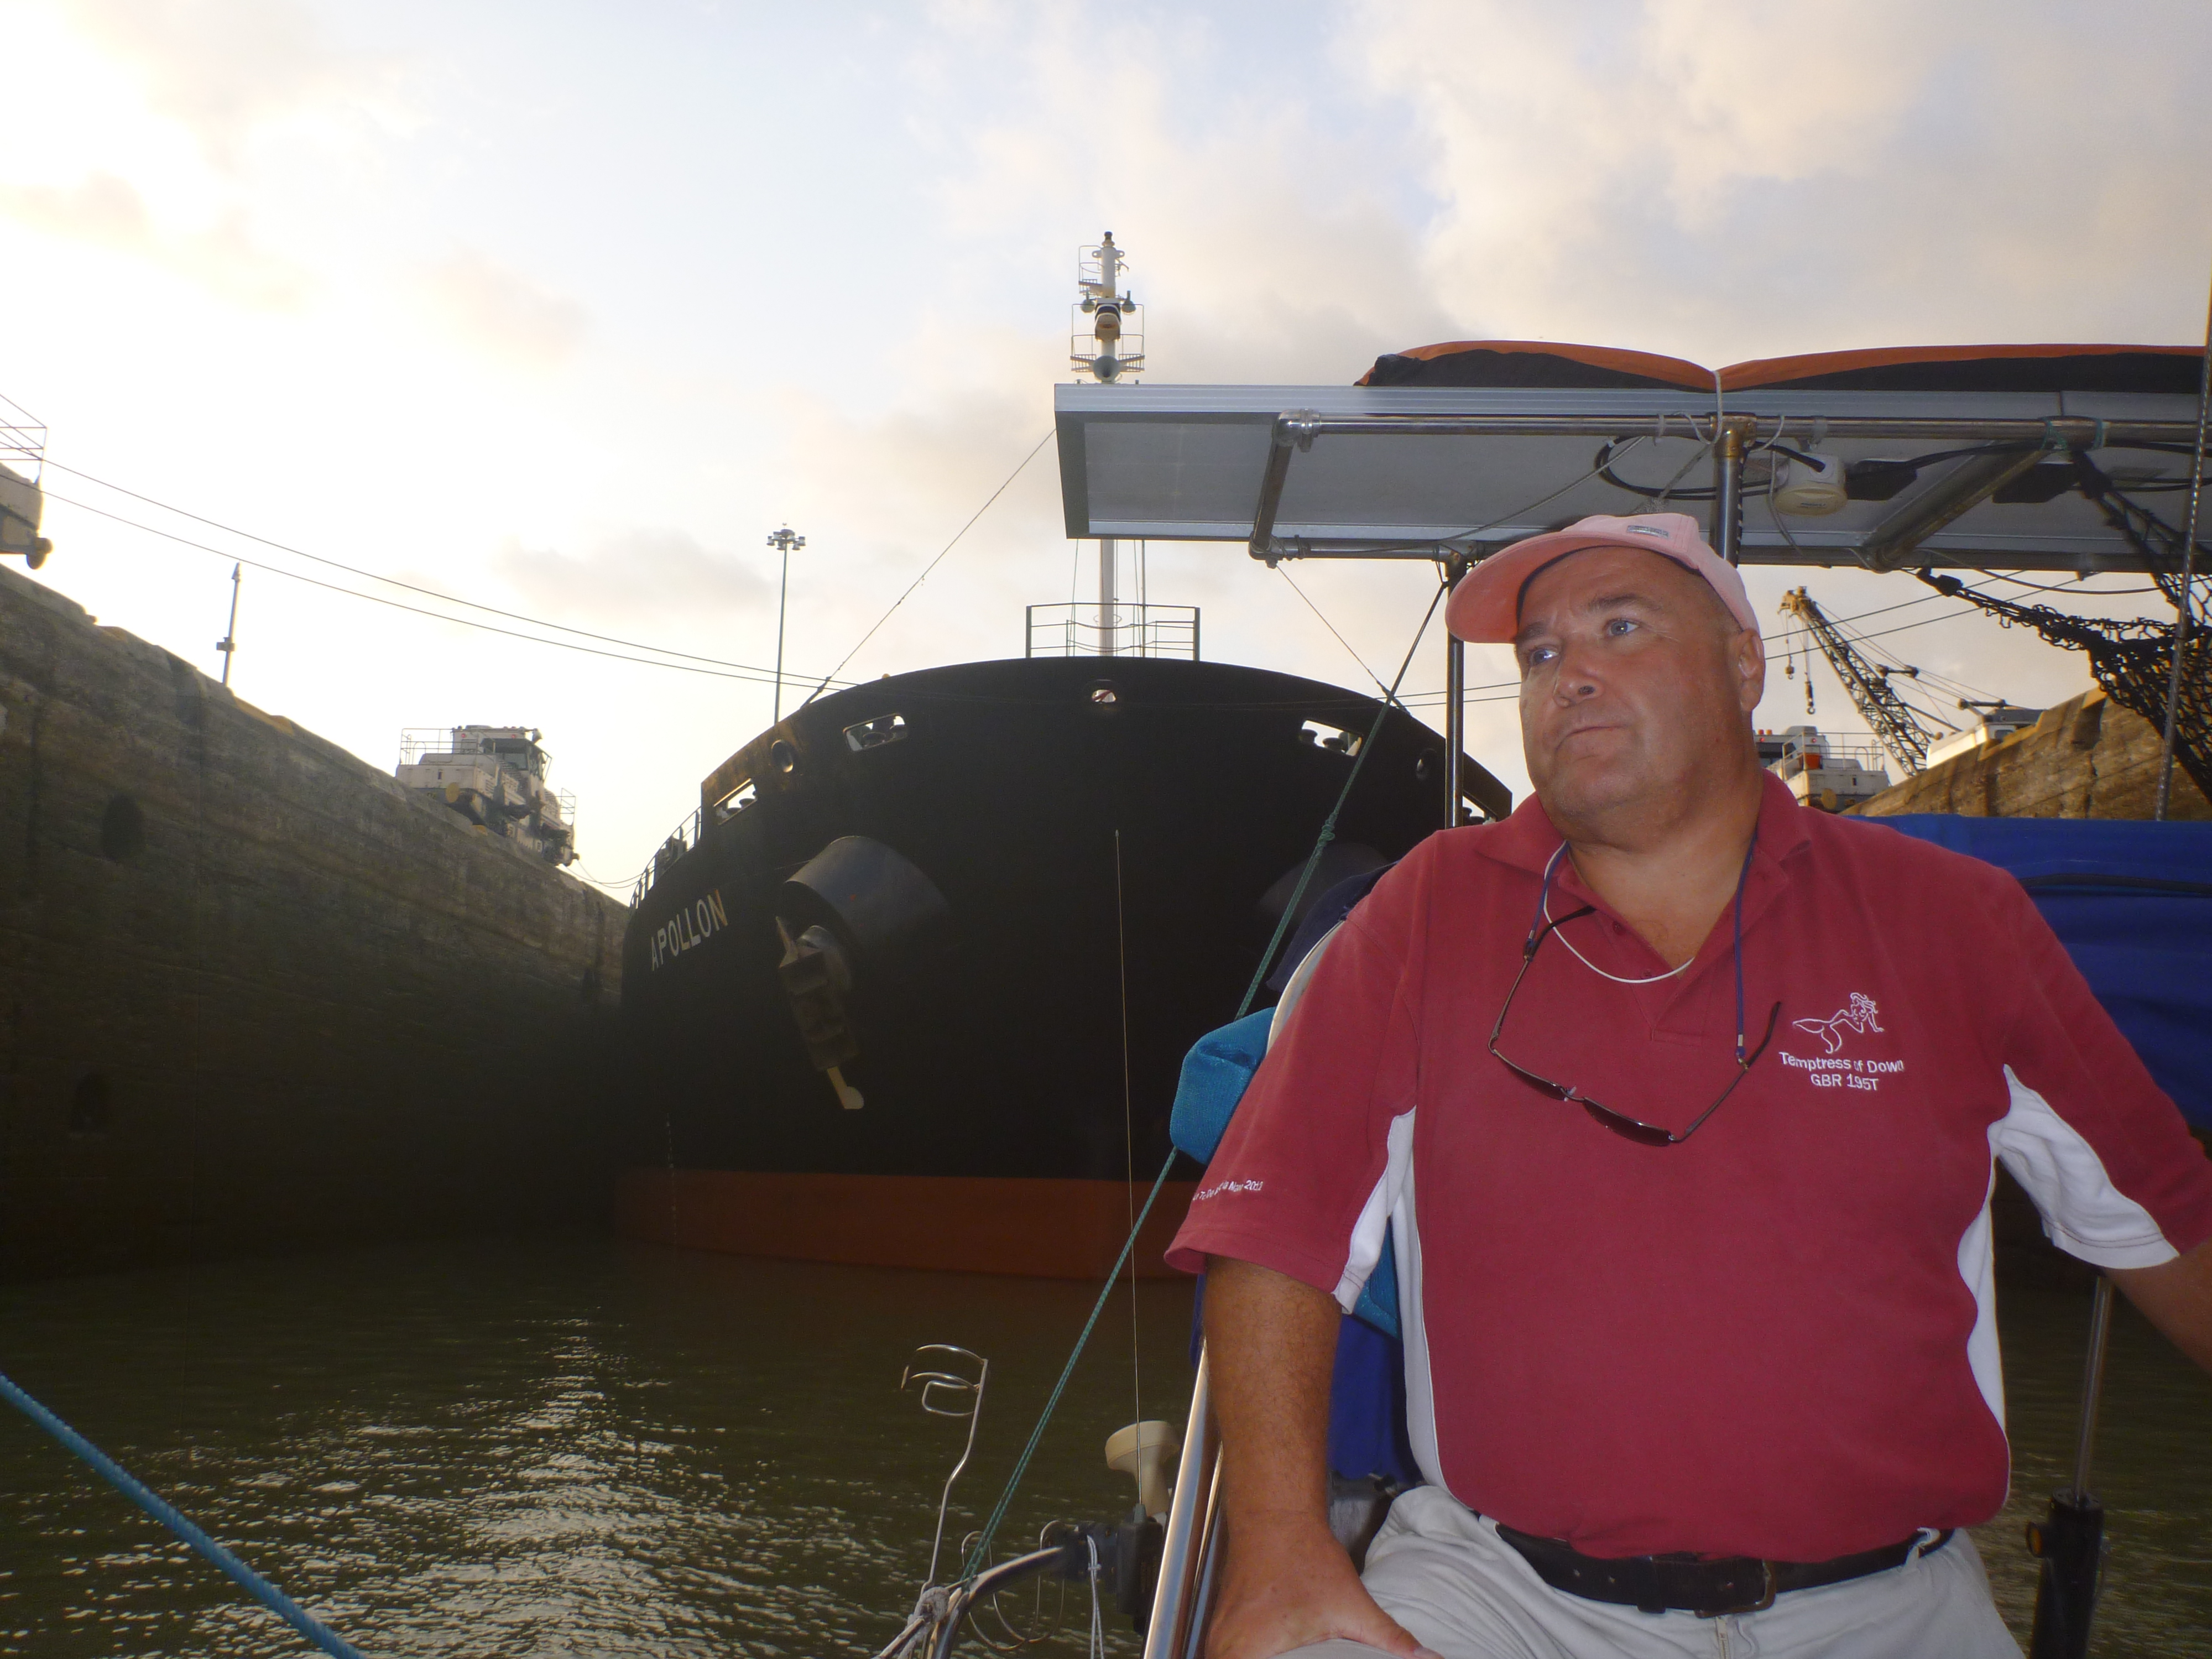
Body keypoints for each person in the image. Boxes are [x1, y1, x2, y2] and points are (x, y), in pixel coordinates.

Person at [1166, 512, 2212, 1659]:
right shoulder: (1427, 906)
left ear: (1743, 664)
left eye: (1620, 627)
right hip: (1499, 1593)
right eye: (1541, 653)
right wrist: (1279, 1549)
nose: (1569, 674)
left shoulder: (1953, 920)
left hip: (1892, 1604)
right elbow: (1276, 1222)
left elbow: (2166, 1224)